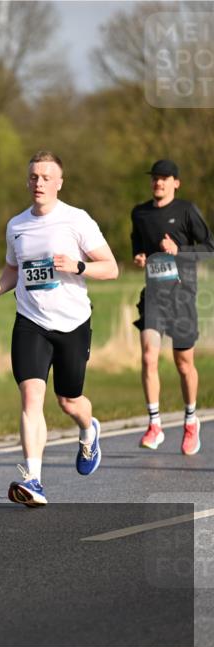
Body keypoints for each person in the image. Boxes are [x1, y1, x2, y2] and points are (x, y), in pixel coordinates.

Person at [0, 151, 119, 507]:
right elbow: (14, 268)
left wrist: (78, 266)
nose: (38, 183)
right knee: (30, 398)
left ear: (59, 182)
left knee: (69, 400)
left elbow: (111, 268)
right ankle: (34, 480)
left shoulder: (77, 220)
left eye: (45, 177)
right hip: (31, 322)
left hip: (72, 323)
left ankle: (89, 430)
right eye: (33, 177)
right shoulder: (17, 225)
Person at [131, 159, 213, 456]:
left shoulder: (187, 211)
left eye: (165, 178)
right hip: (153, 295)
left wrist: (181, 251)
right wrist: (140, 258)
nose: (159, 182)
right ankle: (155, 425)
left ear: (176, 182)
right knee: (148, 356)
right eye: (155, 178)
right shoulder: (139, 213)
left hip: (182, 296)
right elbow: (138, 248)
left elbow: (210, 249)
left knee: (183, 364)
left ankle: (191, 421)